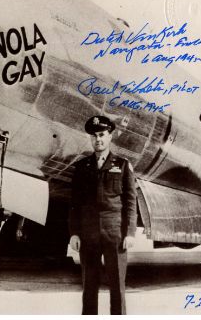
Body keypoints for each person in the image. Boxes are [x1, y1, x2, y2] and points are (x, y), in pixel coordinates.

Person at [69, 115, 137, 315]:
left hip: (114, 233)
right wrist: (74, 233)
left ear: (110, 136)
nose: (97, 139)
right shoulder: (82, 167)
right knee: (89, 287)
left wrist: (130, 233)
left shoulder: (123, 165)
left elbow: (130, 202)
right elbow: (74, 204)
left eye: (101, 135)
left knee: (117, 287)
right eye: (94, 136)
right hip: (88, 235)